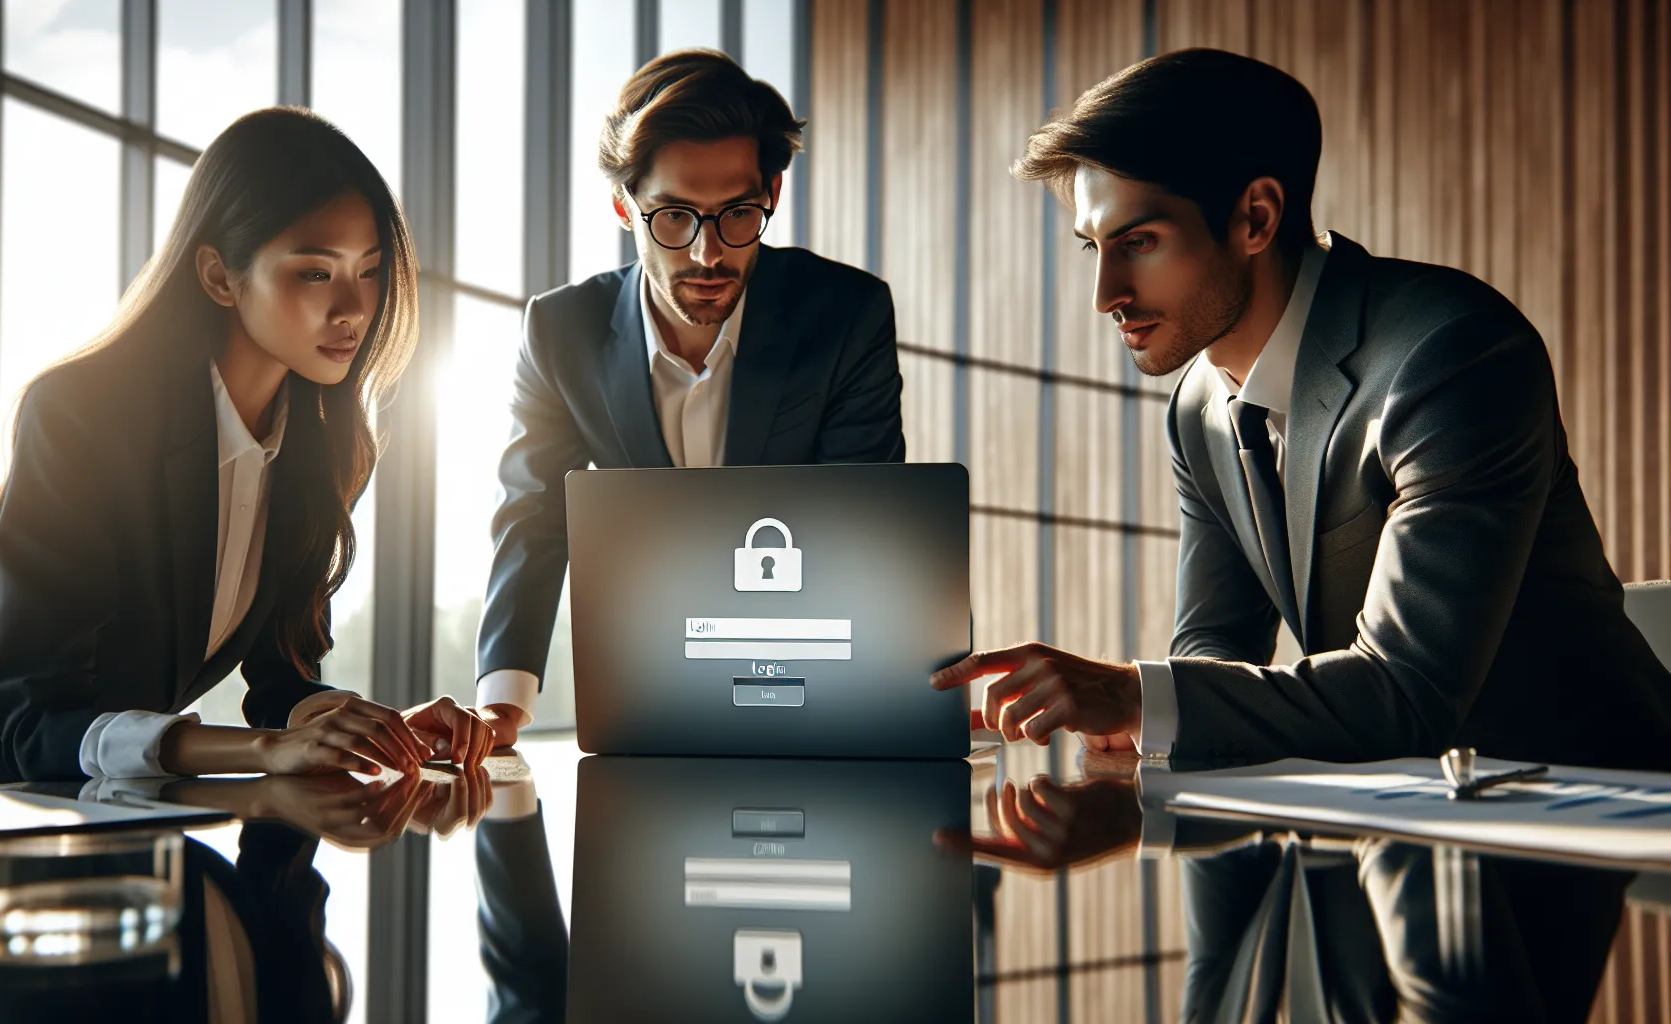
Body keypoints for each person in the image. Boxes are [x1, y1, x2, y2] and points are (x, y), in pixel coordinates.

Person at [930, 48, 1671, 771]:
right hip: (1391, 813)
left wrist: (1137, 693)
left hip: (1591, 812)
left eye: (1140, 241)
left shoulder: (1452, 356)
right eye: (1093, 247)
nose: (1106, 294)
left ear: (1255, 218)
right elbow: (1213, 655)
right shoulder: (1200, 408)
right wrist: (1141, 714)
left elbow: (1408, 689)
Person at [0, 108, 493, 788]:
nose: (352, 307)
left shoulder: (317, 450)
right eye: (315, 274)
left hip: (106, 822)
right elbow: (37, 723)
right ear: (219, 277)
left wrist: (380, 732)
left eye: (371, 272)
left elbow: (281, 681)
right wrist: (261, 751)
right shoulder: (82, 414)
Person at [475, 50, 905, 744]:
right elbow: (534, 517)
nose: (709, 253)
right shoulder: (561, 332)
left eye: (737, 213)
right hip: (649, 689)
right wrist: (504, 701)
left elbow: (865, 524)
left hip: (817, 682)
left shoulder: (846, 314)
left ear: (772, 193)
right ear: (625, 206)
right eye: (674, 217)